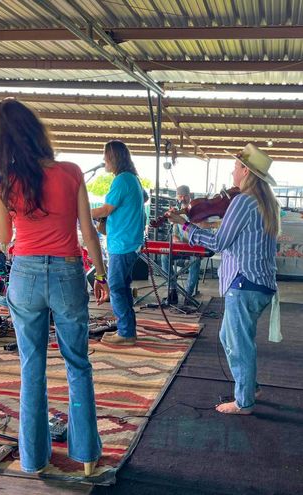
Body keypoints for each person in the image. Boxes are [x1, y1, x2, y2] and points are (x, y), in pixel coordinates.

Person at [0, 98, 108, 476]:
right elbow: (88, 233)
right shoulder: (70, 171)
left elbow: (3, 238)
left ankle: (34, 460)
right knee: (78, 365)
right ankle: (87, 458)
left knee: (32, 367)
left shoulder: (4, 180)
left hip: (25, 276)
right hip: (68, 272)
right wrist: (100, 275)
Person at [167, 143, 281, 415]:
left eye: (235, 165)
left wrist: (185, 227)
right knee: (233, 337)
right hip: (260, 283)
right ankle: (250, 387)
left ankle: (244, 402)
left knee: (237, 342)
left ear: (245, 170)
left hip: (243, 283)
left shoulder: (243, 201)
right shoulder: (267, 203)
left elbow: (219, 242)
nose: (232, 170)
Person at [91, 140, 145, 346]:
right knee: (121, 287)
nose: (103, 160)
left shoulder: (122, 180)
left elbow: (105, 209)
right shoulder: (132, 179)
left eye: (106, 156)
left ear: (113, 157)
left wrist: (81, 212)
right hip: (129, 242)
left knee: (115, 287)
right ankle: (127, 330)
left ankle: (126, 332)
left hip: (122, 244)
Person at [161, 185, 201, 305]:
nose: (182, 198)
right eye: (180, 196)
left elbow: (198, 230)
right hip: (181, 248)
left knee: (195, 260)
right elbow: (175, 233)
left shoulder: (196, 211)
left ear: (190, 195)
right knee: (164, 257)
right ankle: (173, 290)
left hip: (194, 247)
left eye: (185, 196)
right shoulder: (176, 212)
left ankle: (188, 294)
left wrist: (184, 222)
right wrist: (176, 239)